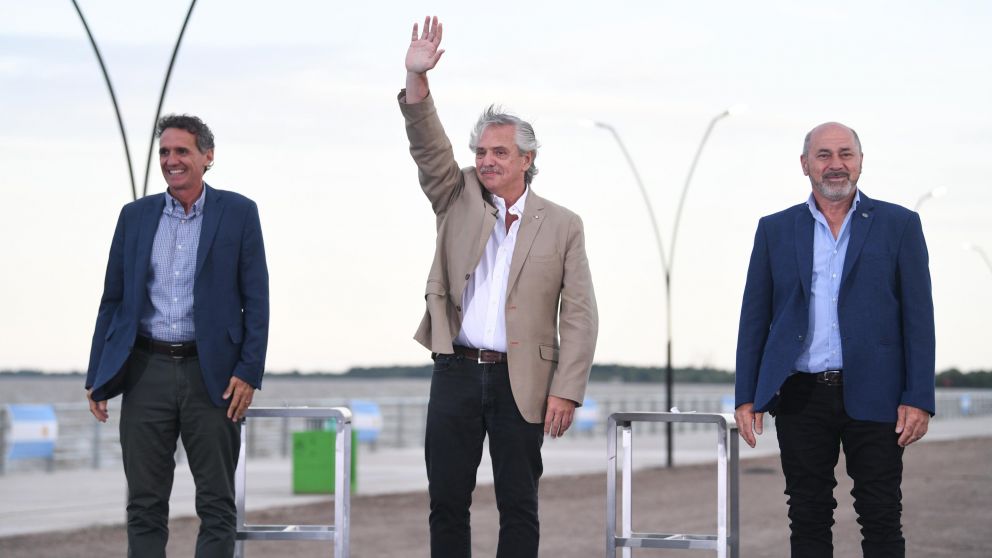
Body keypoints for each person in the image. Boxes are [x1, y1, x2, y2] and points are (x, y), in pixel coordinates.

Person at [399, 16, 598, 558]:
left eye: (499, 153)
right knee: (446, 502)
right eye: (481, 152)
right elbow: (427, 146)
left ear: (527, 160)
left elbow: (579, 314)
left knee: (518, 504)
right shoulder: (455, 194)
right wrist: (417, 78)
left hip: (523, 380)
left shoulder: (563, 224)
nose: (486, 161)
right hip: (456, 371)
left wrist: (567, 389)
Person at [734, 122, 935, 557]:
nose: (836, 164)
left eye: (846, 153)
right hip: (800, 395)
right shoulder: (774, 229)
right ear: (805, 164)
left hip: (878, 395)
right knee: (807, 514)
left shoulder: (900, 224)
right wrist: (747, 395)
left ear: (860, 162)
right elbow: (755, 318)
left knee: (880, 513)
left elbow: (919, 319)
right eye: (824, 155)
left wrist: (919, 397)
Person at [85, 114, 269, 557]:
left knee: (217, 504)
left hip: (214, 377)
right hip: (145, 372)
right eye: (165, 152)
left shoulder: (239, 213)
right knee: (144, 505)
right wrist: (98, 375)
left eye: (182, 151)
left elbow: (257, 299)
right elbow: (113, 301)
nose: (172, 160)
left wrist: (249, 371)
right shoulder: (134, 217)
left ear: (207, 156)